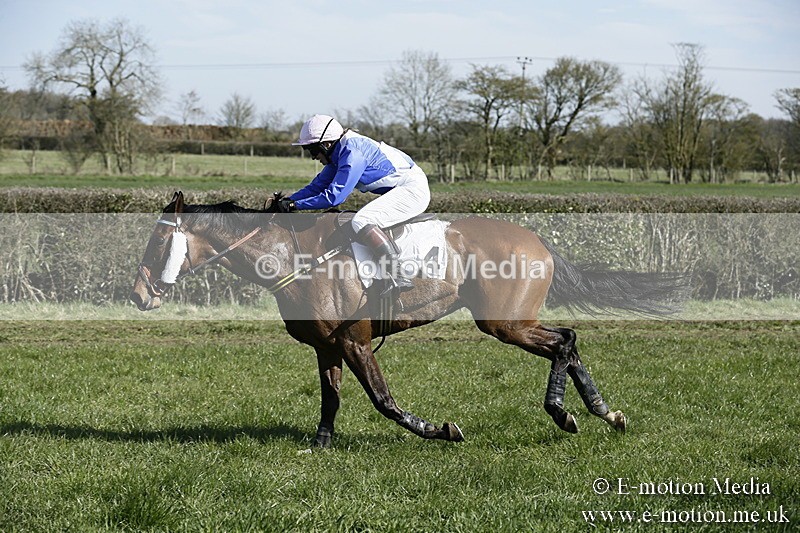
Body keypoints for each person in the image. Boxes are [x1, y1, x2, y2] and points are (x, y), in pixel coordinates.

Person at [278, 114, 431, 296]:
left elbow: (334, 198)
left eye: (312, 150)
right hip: (402, 187)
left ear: (326, 144)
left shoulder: (352, 151)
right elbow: (317, 186)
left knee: (362, 220)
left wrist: (295, 207)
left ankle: (397, 274)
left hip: (412, 189)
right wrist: (288, 200)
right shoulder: (339, 151)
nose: (312, 157)